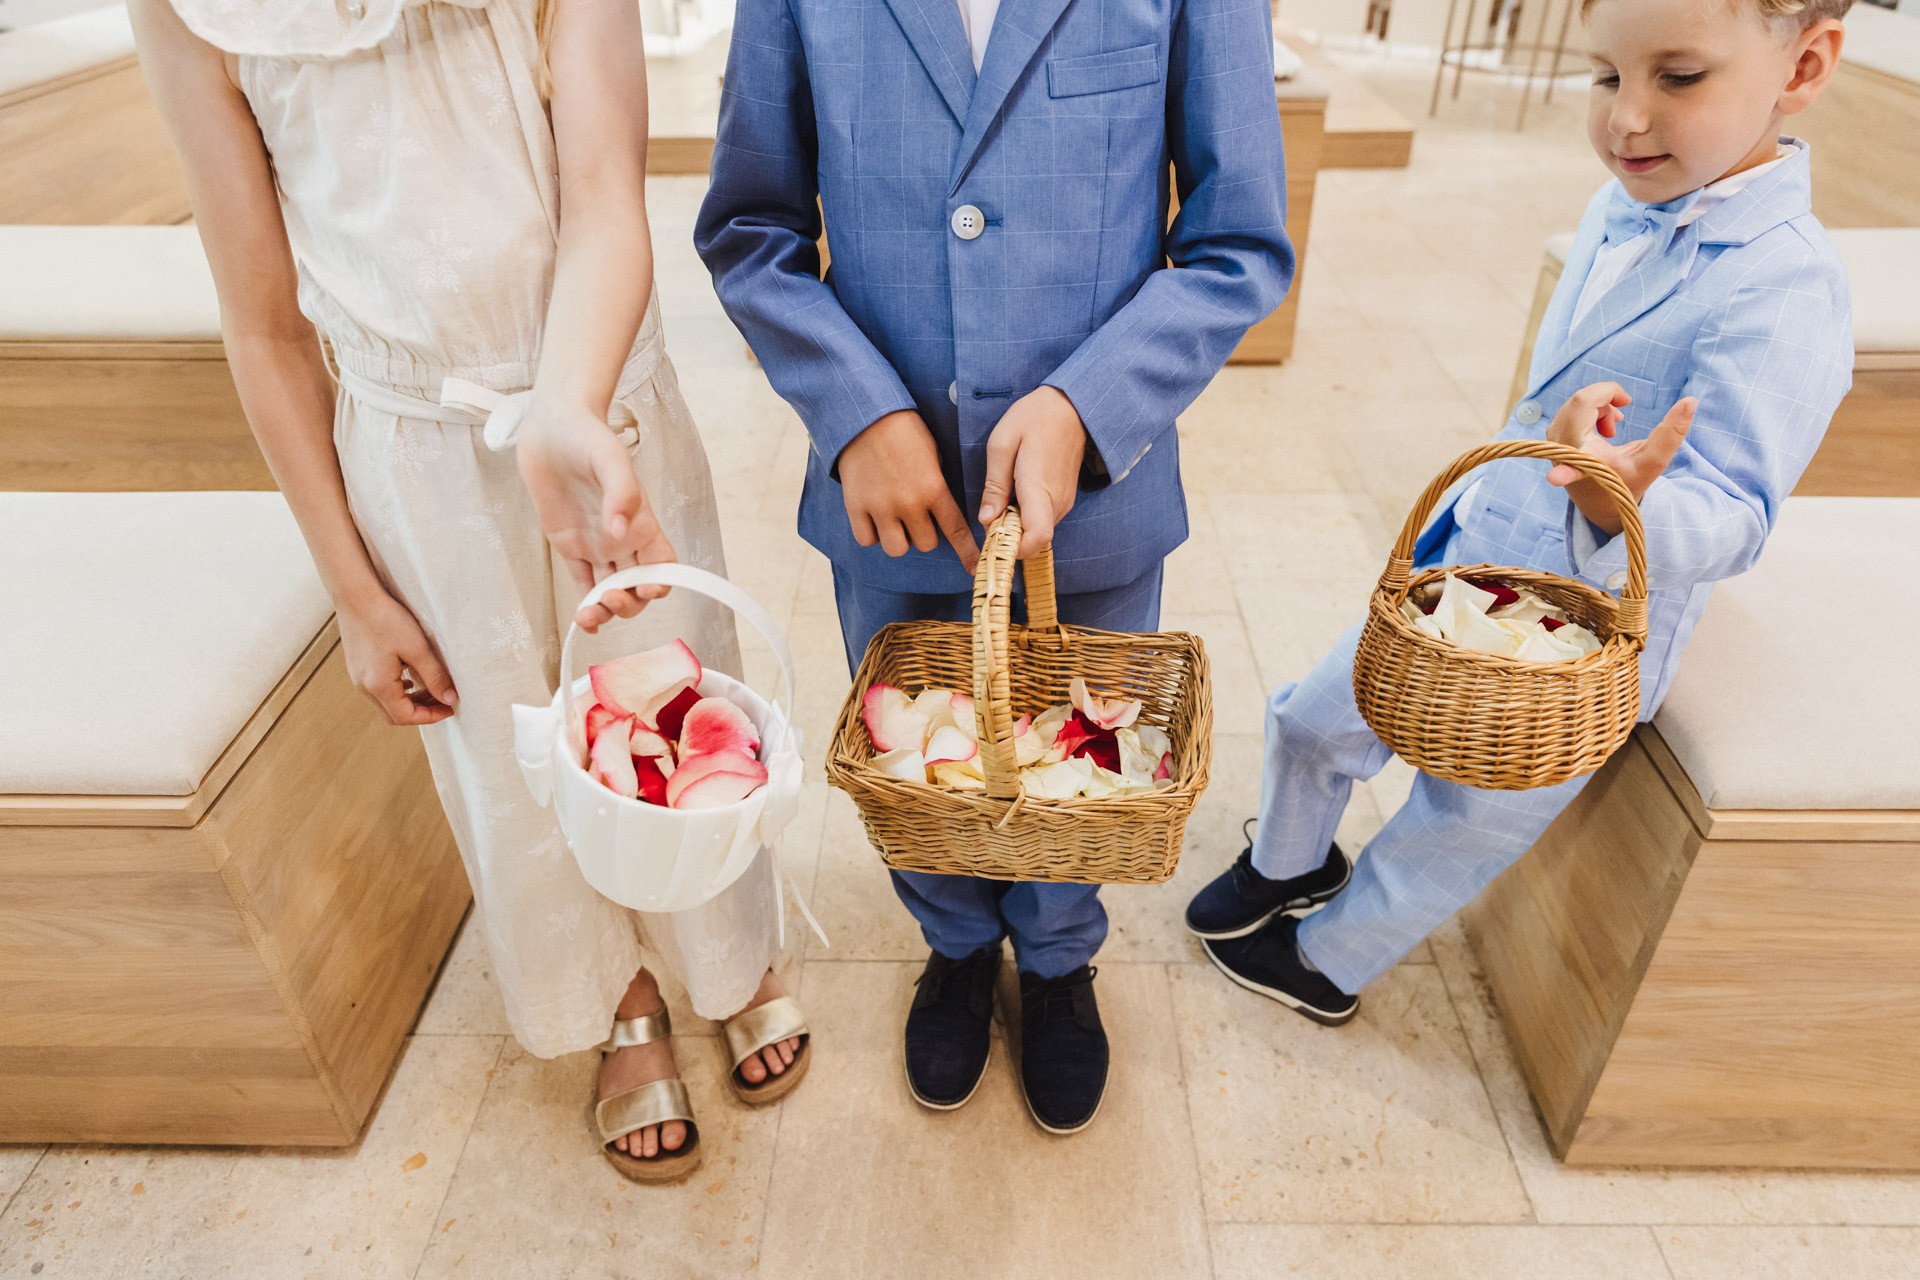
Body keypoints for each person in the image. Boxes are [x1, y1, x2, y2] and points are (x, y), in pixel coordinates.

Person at [129, 0, 809, 1183]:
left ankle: (728, 954)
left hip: (598, 401)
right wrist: (352, 588)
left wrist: (565, 409)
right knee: (507, 760)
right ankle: (616, 993)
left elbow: (605, 198)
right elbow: (265, 325)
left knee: (674, 699)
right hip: (415, 448)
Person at [1186, 0, 1855, 1024]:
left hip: (1579, 637)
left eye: (1677, 79)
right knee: (1314, 714)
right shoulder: (1621, 201)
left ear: (1803, 65)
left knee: (1458, 819)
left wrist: (1613, 505)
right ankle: (1286, 859)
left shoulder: (1788, 286)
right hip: (1469, 556)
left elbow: (1737, 513)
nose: (1626, 120)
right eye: (1604, 77)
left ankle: (1326, 957)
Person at [695, 0, 1293, 1133]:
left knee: (1085, 749)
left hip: (1095, 509)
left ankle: (1060, 958)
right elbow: (750, 227)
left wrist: (1092, 400)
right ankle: (958, 943)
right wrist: (853, 406)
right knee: (918, 763)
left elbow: (1237, 243)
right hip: (890, 504)